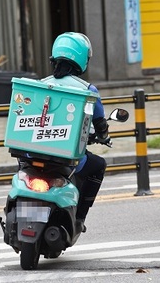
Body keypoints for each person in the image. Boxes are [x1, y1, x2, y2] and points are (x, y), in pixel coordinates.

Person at [41, 32, 111, 233]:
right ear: (82, 58)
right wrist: (104, 136)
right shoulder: (87, 89)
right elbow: (100, 123)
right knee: (98, 165)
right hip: (66, 158)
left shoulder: (40, 85)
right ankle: (79, 217)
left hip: (31, 154)